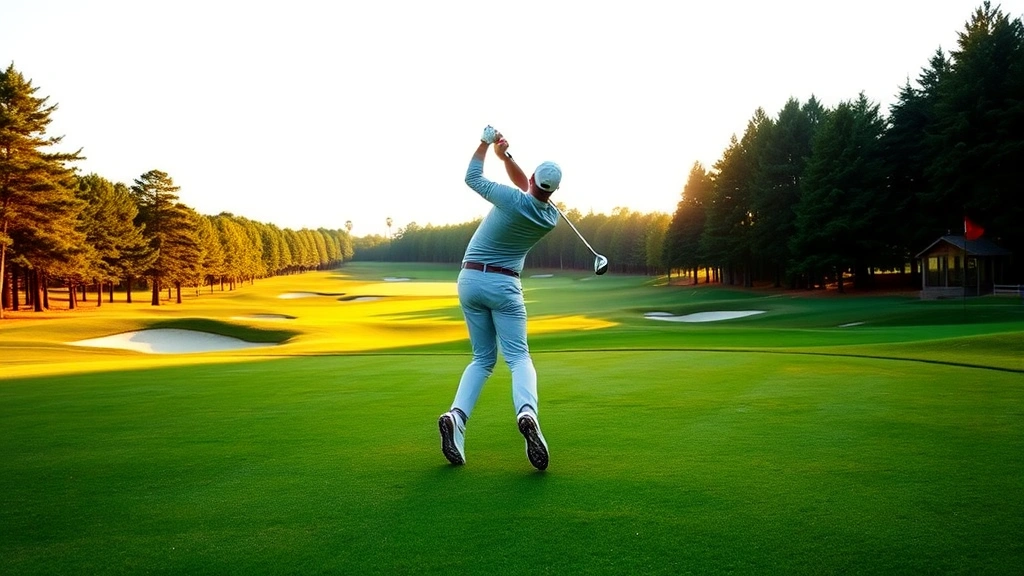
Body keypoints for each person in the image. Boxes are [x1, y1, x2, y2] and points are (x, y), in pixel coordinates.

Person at [438, 126, 562, 471]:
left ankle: (457, 416)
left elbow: (472, 178)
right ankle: (527, 413)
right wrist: (505, 156)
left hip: (470, 279)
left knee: (482, 359)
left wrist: (484, 143)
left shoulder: (511, 199)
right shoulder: (549, 217)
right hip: (505, 286)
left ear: (535, 177)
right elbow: (530, 188)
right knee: (519, 358)